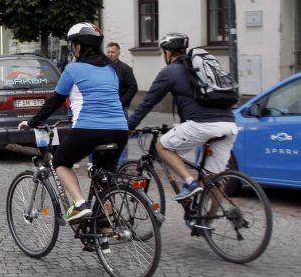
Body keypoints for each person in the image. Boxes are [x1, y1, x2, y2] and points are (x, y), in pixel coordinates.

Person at [18, 23, 128, 222]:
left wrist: (32, 122)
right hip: (120, 129)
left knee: (61, 162)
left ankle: (79, 206)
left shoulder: (73, 69)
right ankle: (106, 221)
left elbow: (55, 101)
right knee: (104, 176)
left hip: (89, 128)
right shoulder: (111, 69)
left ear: (78, 47)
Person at [126, 32, 238, 202]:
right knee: (214, 179)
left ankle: (190, 182)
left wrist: (128, 126)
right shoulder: (200, 70)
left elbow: (147, 103)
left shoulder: (170, 71)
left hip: (203, 124)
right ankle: (205, 224)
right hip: (229, 124)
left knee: (161, 146)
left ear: (168, 52)